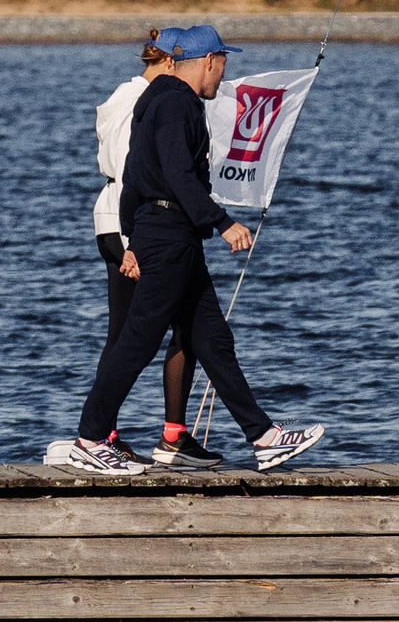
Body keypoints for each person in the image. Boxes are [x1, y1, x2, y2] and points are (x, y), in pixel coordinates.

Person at [63, 24, 326, 475]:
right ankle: (90, 437)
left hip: (165, 235)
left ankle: (264, 438)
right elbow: (178, 175)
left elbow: (133, 173)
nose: (224, 76)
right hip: (168, 235)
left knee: (212, 339)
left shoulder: (154, 101)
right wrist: (222, 223)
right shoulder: (176, 103)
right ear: (208, 61)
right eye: (223, 64)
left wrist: (129, 237)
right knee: (139, 339)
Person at [92, 30, 204, 466]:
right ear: (169, 63)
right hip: (129, 224)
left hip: (139, 222)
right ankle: (99, 435)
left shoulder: (148, 97)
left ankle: (173, 434)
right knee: (127, 336)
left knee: (188, 327)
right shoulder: (137, 98)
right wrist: (133, 240)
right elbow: (131, 165)